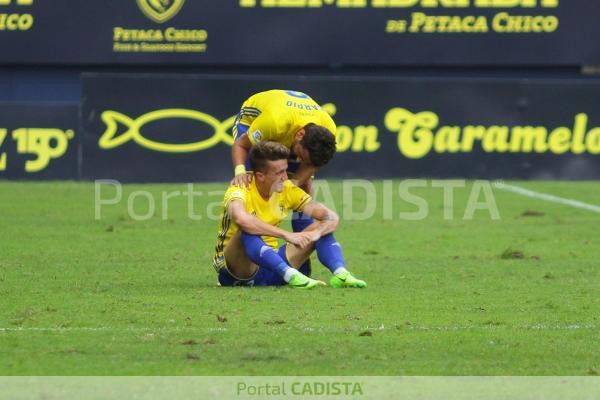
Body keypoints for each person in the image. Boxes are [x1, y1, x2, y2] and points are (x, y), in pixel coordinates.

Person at [213, 141, 366, 289]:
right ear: (260, 176)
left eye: (285, 170)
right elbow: (242, 220)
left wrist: (316, 234)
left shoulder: (286, 189)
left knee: (323, 225)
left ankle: (341, 274)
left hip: (272, 267)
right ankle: (290, 274)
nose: (285, 177)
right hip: (237, 272)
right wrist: (286, 235)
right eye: (279, 173)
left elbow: (331, 217)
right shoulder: (239, 189)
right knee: (247, 229)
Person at [230, 89, 337, 194]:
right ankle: (238, 209)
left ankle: (300, 211)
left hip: (287, 129)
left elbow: (310, 166)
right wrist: (240, 172)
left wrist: (289, 188)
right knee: (251, 181)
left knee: (304, 187)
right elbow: (240, 145)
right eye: (301, 156)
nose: (298, 160)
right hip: (252, 120)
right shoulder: (275, 122)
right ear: (300, 135)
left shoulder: (329, 130)